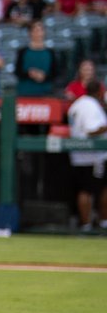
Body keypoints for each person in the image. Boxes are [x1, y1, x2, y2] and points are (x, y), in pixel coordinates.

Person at [67, 79, 107, 231]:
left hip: (78, 155)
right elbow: (91, 130)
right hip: (92, 156)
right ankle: (92, 224)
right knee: (89, 190)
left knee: (85, 189)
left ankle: (88, 224)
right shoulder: (90, 105)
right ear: (99, 92)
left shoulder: (78, 103)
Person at [15, 21, 61, 97]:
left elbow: (55, 73)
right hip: (25, 93)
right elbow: (17, 72)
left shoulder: (50, 52)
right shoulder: (23, 52)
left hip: (46, 93)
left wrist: (44, 76)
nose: (38, 33)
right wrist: (29, 73)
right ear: (30, 33)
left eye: (40, 30)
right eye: (35, 30)